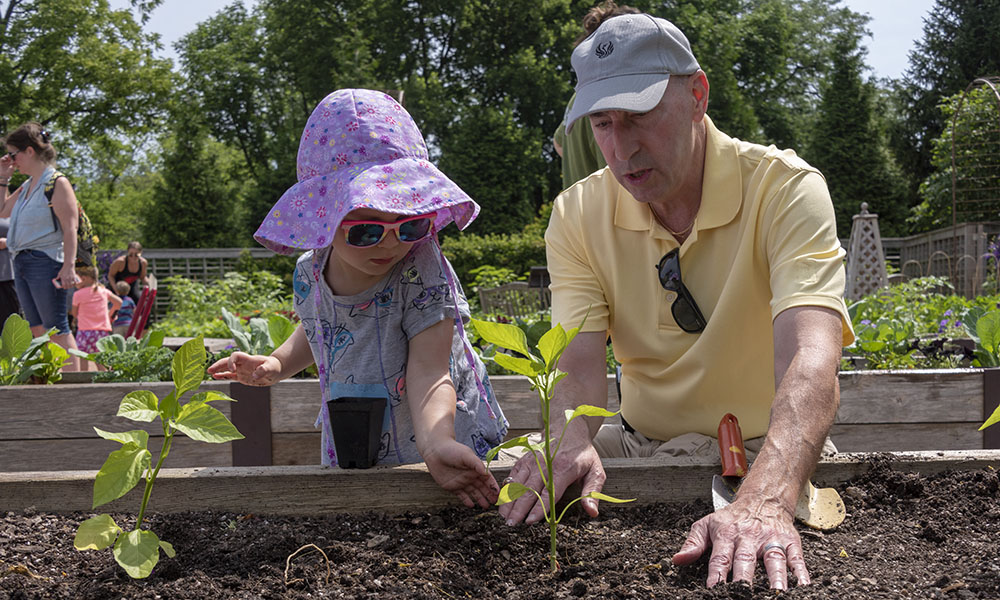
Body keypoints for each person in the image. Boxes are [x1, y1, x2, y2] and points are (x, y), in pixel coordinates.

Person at [501, 14, 854, 591]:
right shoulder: (576, 215)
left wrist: (766, 497)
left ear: (697, 95)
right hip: (641, 442)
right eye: (603, 123)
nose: (621, 147)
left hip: (771, 450)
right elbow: (576, 367)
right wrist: (571, 438)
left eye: (639, 116)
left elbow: (810, 361)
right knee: (516, 499)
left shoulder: (784, 189)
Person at [207, 89, 509, 508]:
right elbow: (320, 326)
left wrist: (437, 441)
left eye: (410, 226)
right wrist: (277, 363)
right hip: (354, 435)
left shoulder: (421, 267)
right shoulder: (309, 273)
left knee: (438, 520)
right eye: (366, 230)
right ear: (326, 217)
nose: (390, 243)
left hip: (439, 439)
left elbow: (430, 369)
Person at [0, 123, 80, 370]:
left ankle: (73, 390)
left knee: (56, 327)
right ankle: (53, 381)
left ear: (29, 152)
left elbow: (70, 228)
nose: (11, 160)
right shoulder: (27, 185)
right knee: (37, 329)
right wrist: (4, 177)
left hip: (46, 261)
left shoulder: (57, 182)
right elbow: (2, 211)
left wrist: (69, 266)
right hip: (22, 262)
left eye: (13, 155)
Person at [551, 2, 640, 190]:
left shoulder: (578, 98)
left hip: (575, 212)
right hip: (611, 213)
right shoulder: (613, 98)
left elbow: (558, 144)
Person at [71, 265, 121, 370]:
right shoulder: (104, 291)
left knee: (83, 358)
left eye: (76, 278)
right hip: (101, 331)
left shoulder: (78, 294)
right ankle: (103, 381)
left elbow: (74, 314)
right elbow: (118, 302)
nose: (74, 282)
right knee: (101, 360)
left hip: (85, 331)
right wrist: (109, 315)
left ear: (84, 278)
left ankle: (84, 380)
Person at [0, 217, 22, 327]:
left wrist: (8, 242)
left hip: (8, 276)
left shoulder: (16, 205)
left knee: (10, 324)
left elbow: (29, 238)